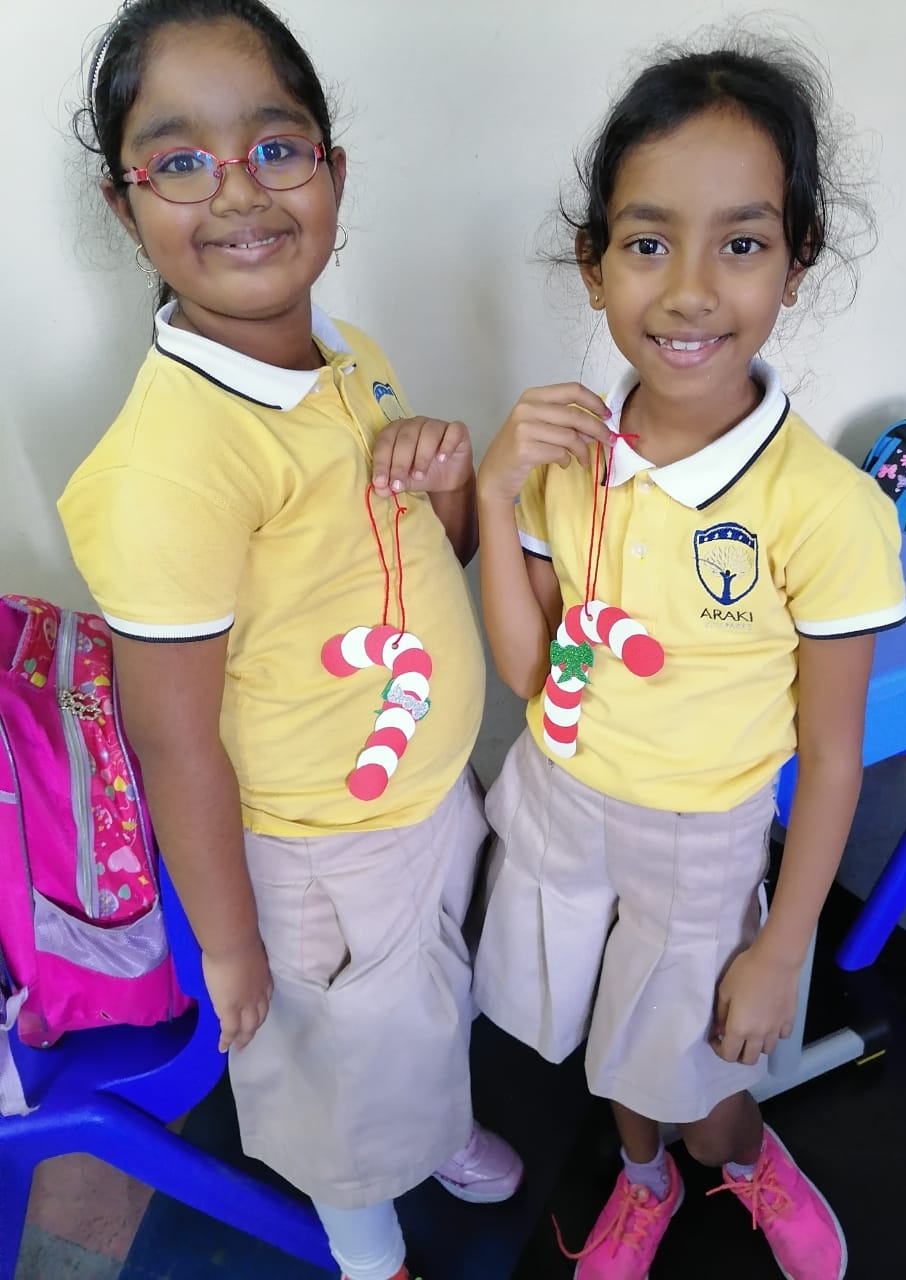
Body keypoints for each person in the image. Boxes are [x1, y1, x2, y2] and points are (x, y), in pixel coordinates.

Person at [58, 4, 521, 1279]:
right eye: (180, 160)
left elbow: (435, 554)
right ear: (124, 205)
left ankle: (435, 1124)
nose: (237, 190)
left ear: (333, 173)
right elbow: (171, 735)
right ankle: (371, 1245)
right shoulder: (169, 467)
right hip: (322, 853)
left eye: (275, 146)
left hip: (423, 793)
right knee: (339, 1078)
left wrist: (448, 477)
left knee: (420, 1005)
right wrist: (232, 945)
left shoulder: (347, 356)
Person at [473, 38, 906, 1280]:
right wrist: (496, 495)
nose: (691, 290)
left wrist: (783, 946)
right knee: (608, 1044)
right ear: (594, 261)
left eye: (743, 242)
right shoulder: (566, 457)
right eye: (649, 241)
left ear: (797, 261)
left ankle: (743, 1156)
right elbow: (531, 673)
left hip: (699, 839)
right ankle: (644, 1176)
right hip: (559, 805)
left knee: (701, 1066)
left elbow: (832, 754)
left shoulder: (824, 509)